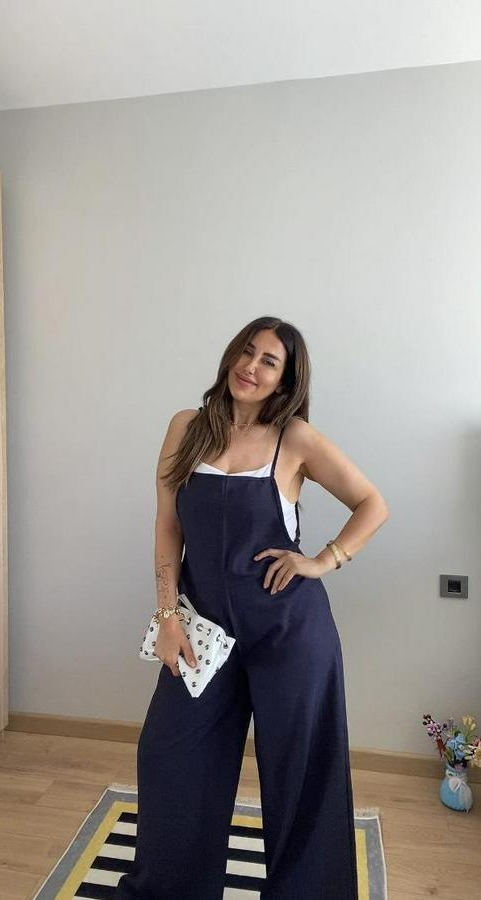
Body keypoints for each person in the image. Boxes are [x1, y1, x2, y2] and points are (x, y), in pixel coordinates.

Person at [114, 315, 389, 899]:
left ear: (285, 380)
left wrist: (324, 559)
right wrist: (166, 618)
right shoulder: (186, 427)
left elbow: (371, 503)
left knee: (300, 773)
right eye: (247, 351)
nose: (252, 366)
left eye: (270, 361)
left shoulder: (296, 439)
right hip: (203, 628)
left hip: (289, 631)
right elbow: (167, 527)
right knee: (170, 757)